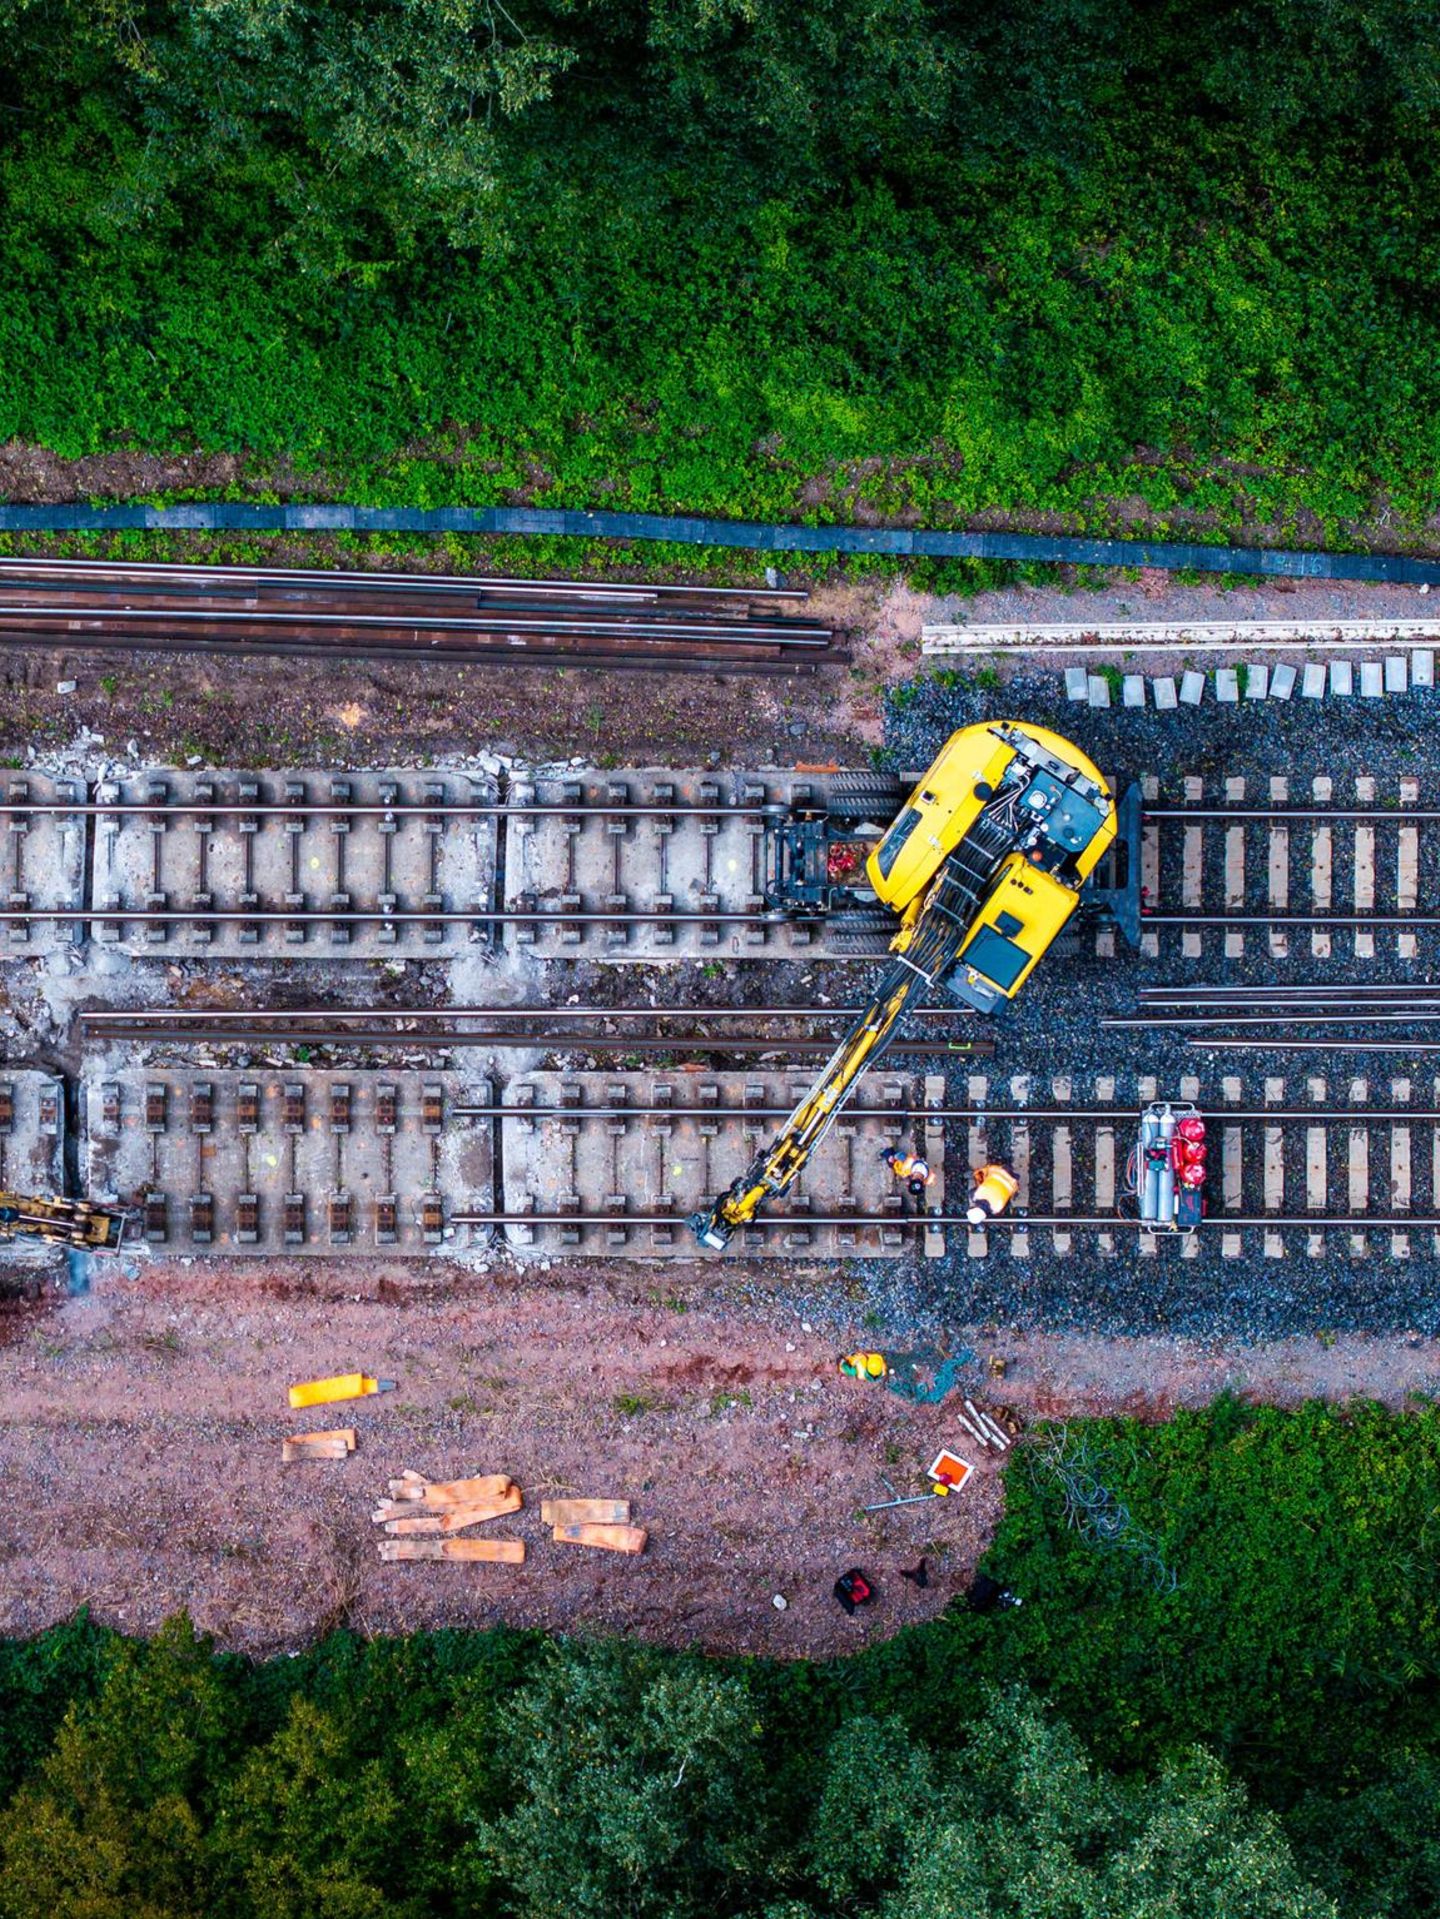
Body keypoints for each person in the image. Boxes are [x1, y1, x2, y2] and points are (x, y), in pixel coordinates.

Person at [967, 1162, 1019, 1226]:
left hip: (1012, 1184)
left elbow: (1007, 1202)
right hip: (997, 1172)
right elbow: (971, 1192)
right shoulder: (976, 1195)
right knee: (980, 1176)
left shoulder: (996, 1209)